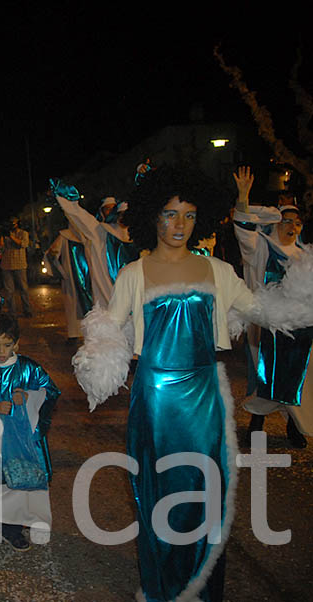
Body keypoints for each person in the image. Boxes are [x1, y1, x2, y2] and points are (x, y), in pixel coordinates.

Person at [71, 166, 313, 602]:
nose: (179, 225)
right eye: (169, 214)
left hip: (205, 399)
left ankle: (203, 591)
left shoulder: (217, 270)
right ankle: (165, 589)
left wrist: (301, 295)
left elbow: (260, 310)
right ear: (153, 217)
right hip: (156, 399)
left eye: (187, 215)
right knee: (160, 490)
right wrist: (99, 358)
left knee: (207, 490)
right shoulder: (134, 273)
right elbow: (109, 326)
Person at [0, 313, 59, 550]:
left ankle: (25, 522)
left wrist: (30, 398)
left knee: (27, 485)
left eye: (7, 345)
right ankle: (6, 527)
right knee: (3, 485)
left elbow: (51, 392)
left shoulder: (29, 369)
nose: (2, 351)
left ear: (16, 343)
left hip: (27, 442)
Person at [232, 166, 310, 448]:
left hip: (297, 330)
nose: (293, 227)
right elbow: (243, 229)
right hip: (264, 326)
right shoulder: (261, 246)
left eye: (298, 223)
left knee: (293, 374)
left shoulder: (304, 256)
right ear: (276, 223)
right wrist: (243, 196)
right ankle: (257, 422)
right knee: (261, 371)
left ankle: (294, 424)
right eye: (287, 221)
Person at [52, 183, 137, 309]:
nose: (124, 218)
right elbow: (79, 216)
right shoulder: (101, 233)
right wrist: (65, 195)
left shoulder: (139, 238)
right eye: (121, 214)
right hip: (109, 306)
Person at [46, 228, 92, 340]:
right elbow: (53, 252)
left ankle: (89, 332)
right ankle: (74, 334)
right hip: (72, 277)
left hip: (89, 276)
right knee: (72, 305)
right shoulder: (65, 236)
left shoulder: (89, 233)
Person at [0, 218, 33, 317]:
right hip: (6, 265)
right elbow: (1, 249)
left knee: (23, 289)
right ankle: (12, 312)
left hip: (20, 264)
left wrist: (11, 236)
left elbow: (23, 244)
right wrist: (1, 239)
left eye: (13, 223)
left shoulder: (23, 233)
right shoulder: (4, 235)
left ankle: (27, 310)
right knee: (9, 291)